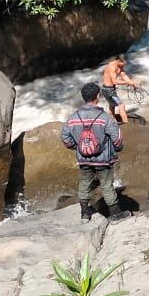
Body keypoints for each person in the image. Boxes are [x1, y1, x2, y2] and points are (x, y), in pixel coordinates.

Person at [62, 83, 128, 222]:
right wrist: (117, 149)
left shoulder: (73, 118)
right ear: (97, 96)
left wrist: (77, 147)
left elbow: (65, 137)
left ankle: (85, 214)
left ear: (83, 97)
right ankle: (115, 214)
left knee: (85, 182)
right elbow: (117, 138)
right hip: (103, 159)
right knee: (106, 185)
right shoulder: (104, 117)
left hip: (83, 158)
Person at [99, 56, 138, 125]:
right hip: (107, 90)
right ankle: (127, 125)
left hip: (111, 89)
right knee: (121, 105)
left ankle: (113, 119)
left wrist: (131, 83)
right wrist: (127, 82)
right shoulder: (112, 67)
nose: (124, 65)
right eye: (123, 63)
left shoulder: (119, 66)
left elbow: (124, 75)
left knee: (112, 105)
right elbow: (115, 81)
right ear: (119, 61)